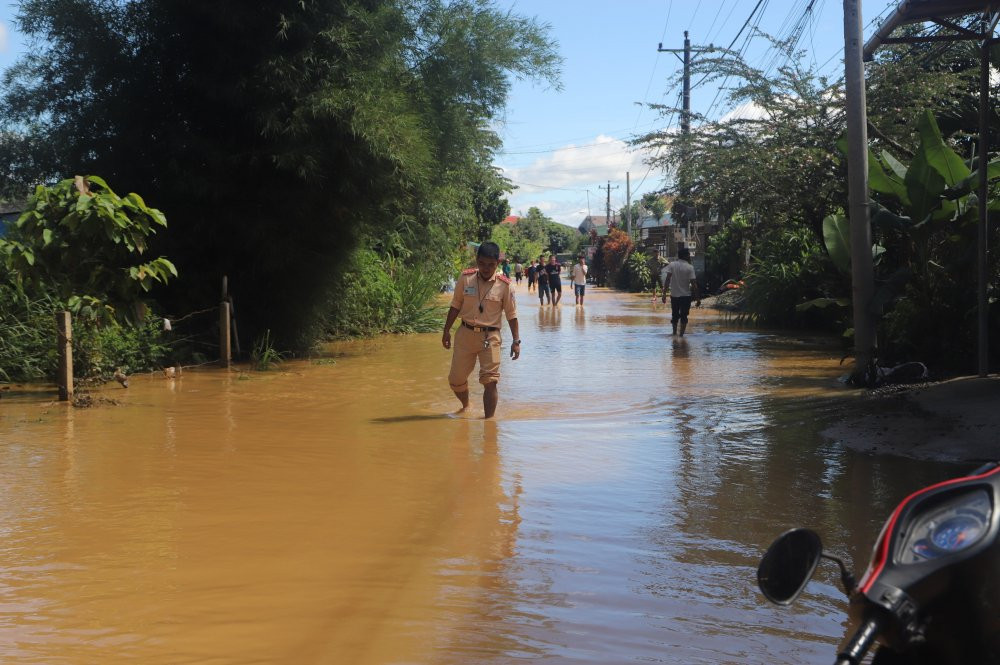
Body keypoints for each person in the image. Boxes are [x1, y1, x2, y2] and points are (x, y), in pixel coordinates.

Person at [442, 242, 520, 418]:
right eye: (482, 263)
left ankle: (489, 423)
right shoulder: (465, 278)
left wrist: (516, 341)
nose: (486, 268)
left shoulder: (505, 285)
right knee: (456, 380)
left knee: (490, 381)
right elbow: (455, 306)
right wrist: (446, 331)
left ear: (497, 264)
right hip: (465, 334)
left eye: (491, 265)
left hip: (490, 337)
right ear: (477, 261)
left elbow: (512, 315)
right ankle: (466, 405)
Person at [664, 246, 700, 336]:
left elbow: (667, 279)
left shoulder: (672, 265)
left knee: (674, 315)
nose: (689, 256)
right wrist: (698, 298)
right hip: (686, 296)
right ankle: (681, 336)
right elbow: (694, 284)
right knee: (684, 316)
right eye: (688, 255)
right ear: (685, 256)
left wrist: (664, 294)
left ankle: (674, 334)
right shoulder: (690, 267)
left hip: (674, 295)